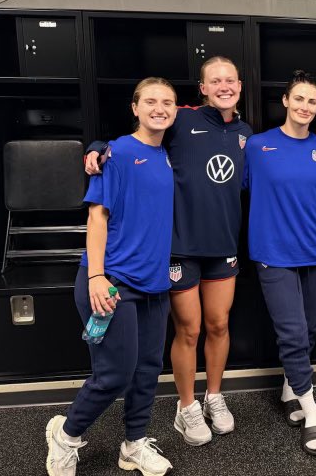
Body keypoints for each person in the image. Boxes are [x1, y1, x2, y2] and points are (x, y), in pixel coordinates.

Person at [84, 57, 252, 445]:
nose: (224, 86)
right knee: (189, 330)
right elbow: (137, 137)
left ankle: (214, 396)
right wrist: (98, 148)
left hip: (223, 244)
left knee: (219, 325)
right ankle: (187, 406)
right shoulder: (181, 117)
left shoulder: (245, 132)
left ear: (239, 87)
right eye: (215, 80)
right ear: (203, 87)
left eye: (230, 80)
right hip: (179, 247)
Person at [46, 78, 177, 476]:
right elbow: (96, 218)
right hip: (112, 282)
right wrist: (97, 276)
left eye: (167, 102)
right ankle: (65, 436)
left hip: (155, 284)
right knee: (114, 375)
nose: (160, 108)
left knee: (148, 370)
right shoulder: (116, 154)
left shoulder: (166, 153)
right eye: (150, 101)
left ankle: (134, 445)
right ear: (134, 108)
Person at [242, 71, 316, 456]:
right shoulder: (257, 145)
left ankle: (289, 390)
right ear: (285, 101)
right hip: (273, 252)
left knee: (308, 331)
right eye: (299, 99)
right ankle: (312, 413)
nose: (305, 107)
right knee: (292, 333)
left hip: (315, 249)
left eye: (311, 101)